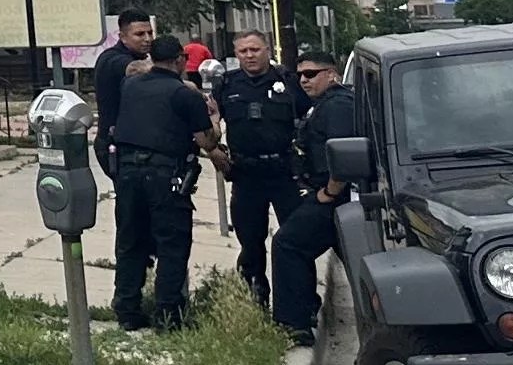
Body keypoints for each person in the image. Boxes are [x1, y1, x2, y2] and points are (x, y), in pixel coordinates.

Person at [109, 34, 213, 330]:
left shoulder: (130, 86)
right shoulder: (185, 95)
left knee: (130, 241)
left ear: (152, 58)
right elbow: (206, 140)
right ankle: (168, 314)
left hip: (127, 174)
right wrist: (214, 120)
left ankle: (127, 310)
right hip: (165, 175)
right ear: (181, 59)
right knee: (172, 244)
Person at [270, 49, 367, 346]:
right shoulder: (324, 104)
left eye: (311, 74)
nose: (303, 80)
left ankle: (295, 323)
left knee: (288, 244)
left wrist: (329, 192)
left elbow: (343, 154)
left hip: (337, 198)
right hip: (332, 195)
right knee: (358, 263)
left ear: (331, 73)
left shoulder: (337, 105)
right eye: (300, 74)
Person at [206, 31, 302, 306]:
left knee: (294, 241)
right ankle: (254, 300)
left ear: (268, 50)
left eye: (255, 49)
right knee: (250, 243)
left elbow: (310, 118)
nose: (249, 55)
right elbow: (208, 123)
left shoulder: (287, 82)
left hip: (284, 172)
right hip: (246, 174)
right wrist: (213, 150)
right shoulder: (227, 84)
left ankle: (298, 305)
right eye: (243, 51)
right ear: (236, 55)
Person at [91, 10, 153, 167]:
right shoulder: (112, 58)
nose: (147, 39)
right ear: (123, 37)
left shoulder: (137, 56)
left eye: (150, 33)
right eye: (139, 34)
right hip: (115, 145)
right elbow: (134, 68)